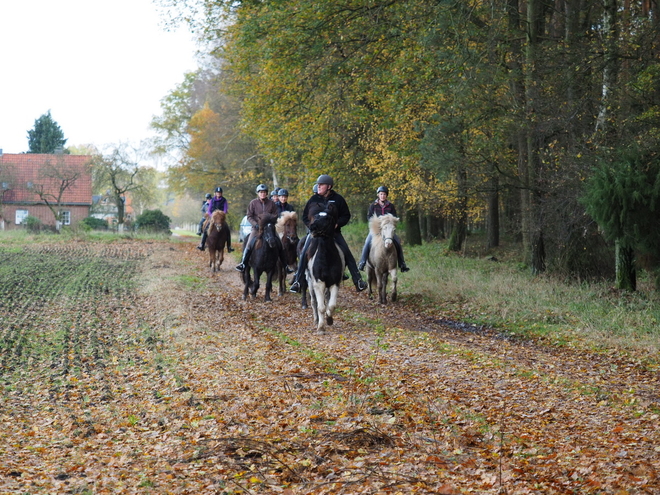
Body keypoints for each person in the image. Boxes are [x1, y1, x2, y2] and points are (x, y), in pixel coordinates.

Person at [290, 174, 368, 293]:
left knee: (347, 252)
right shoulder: (313, 199)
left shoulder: (338, 199)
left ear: (329, 186)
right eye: (318, 184)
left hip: (333, 233)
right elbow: (305, 216)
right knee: (305, 251)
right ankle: (298, 281)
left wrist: (337, 224)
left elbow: (346, 215)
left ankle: (358, 281)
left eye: (321, 185)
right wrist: (311, 227)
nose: (318, 186)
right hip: (315, 234)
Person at [235, 184, 292, 273]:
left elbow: (275, 215)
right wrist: (255, 224)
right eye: (261, 192)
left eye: (264, 192)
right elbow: (249, 216)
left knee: (279, 243)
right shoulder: (253, 203)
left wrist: (269, 220)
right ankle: (243, 263)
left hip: (269, 228)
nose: (263, 194)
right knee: (249, 243)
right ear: (258, 193)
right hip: (256, 228)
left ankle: (285, 266)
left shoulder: (271, 203)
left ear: (266, 193)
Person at [357, 186, 410, 272]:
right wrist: (377, 222)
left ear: (386, 195)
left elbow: (394, 217)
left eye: (384, 194)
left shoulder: (391, 206)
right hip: (376, 229)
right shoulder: (373, 206)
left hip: (387, 230)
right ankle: (362, 262)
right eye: (381, 194)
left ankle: (402, 264)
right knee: (367, 242)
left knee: (397, 242)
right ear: (378, 195)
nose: (382, 196)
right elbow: (369, 217)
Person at [198, 187, 234, 252]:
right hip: (213, 217)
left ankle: (229, 246)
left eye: (219, 193)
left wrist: (222, 214)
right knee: (206, 228)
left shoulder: (224, 200)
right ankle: (202, 244)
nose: (218, 194)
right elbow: (209, 210)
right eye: (217, 193)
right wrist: (212, 216)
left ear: (221, 193)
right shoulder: (212, 200)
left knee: (227, 230)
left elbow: (225, 209)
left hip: (221, 217)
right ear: (215, 193)